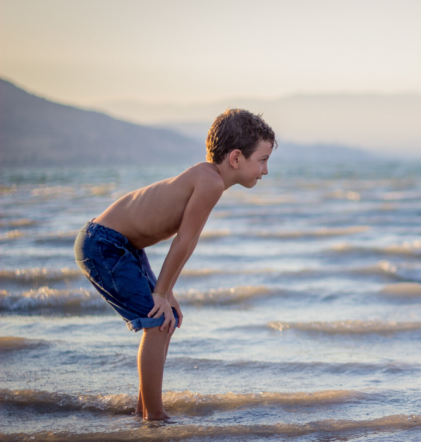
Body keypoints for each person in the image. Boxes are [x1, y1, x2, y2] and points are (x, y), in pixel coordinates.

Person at [73, 109, 276, 419]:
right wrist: (160, 293)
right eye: (262, 160)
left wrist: (167, 293)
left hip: (123, 246)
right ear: (236, 158)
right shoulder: (209, 182)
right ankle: (154, 416)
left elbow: (187, 242)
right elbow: (184, 241)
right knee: (156, 322)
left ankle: (144, 409)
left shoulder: (209, 178)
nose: (265, 170)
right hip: (103, 244)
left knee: (168, 319)